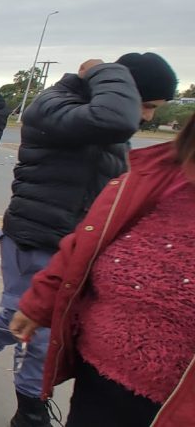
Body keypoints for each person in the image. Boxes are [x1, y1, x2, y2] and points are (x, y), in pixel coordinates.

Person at [0, 53, 177, 427]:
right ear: (120, 87)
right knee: (38, 328)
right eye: (146, 104)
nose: (147, 117)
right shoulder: (56, 105)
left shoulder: (95, 117)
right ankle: (30, 412)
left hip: (72, 243)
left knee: (24, 316)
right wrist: (104, 70)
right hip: (37, 236)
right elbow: (115, 118)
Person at [10, 115, 195, 427]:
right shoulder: (154, 177)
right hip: (96, 374)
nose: (148, 116)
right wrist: (40, 302)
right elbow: (85, 243)